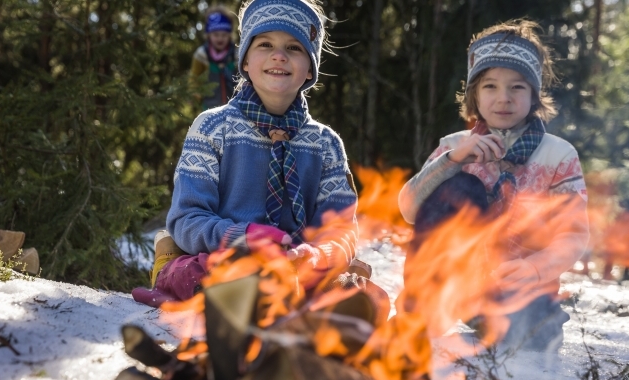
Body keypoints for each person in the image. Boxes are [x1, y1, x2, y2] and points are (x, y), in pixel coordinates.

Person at [133, 0, 358, 308]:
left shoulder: (326, 144)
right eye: (265, 44)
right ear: (245, 61)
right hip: (224, 259)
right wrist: (244, 237)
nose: (279, 55)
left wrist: (316, 254)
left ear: (310, 69)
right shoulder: (212, 128)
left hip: (300, 271)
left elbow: (341, 231)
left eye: (294, 48)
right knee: (216, 276)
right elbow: (188, 219)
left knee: (363, 292)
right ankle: (172, 265)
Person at [398, 19, 589, 352]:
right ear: (474, 93)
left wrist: (534, 267)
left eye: (517, 87)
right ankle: (423, 309)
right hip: (457, 284)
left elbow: (573, 235)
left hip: (520, 287)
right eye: (490, 86)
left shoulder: (559, 155)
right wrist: (451, 162)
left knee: (533, 341)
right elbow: (409, 209)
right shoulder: (455, 146)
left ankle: (505, 328)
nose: (504, 98)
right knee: (461, 185)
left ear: (534, 94)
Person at [191, 6, 238, 110]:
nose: (220, 38)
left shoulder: (236, 54)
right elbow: (194, 78)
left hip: (236, 106)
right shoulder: (201, 55)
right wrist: (194, 95)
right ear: (209, 34)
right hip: (209, 107)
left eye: (224, 35)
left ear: (230, 35)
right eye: (216, 34)